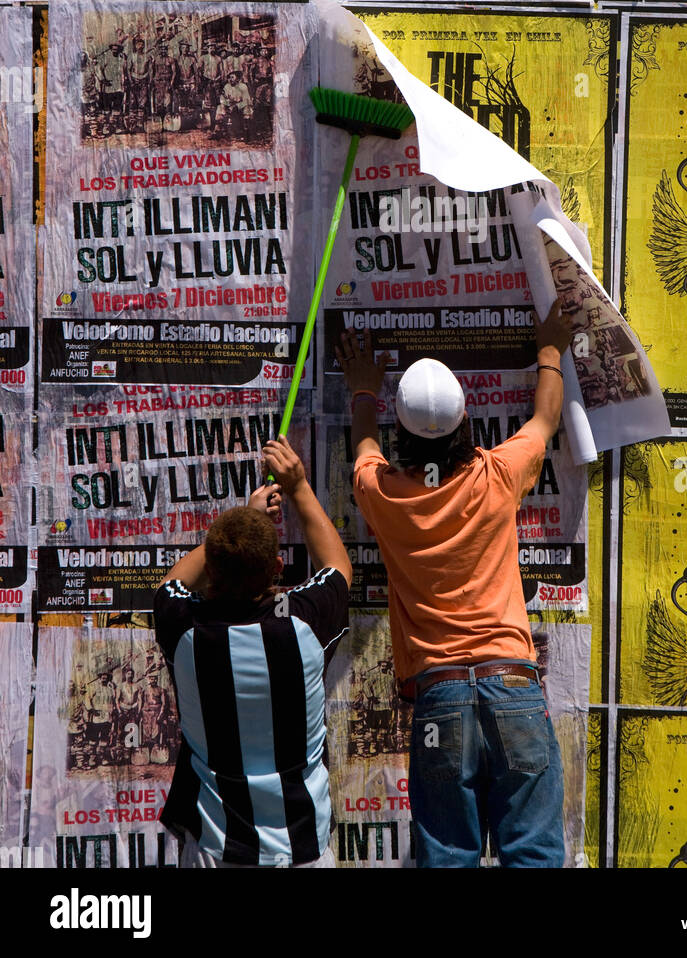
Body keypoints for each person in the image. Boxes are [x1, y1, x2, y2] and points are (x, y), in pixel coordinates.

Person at [336, 301, 572, 868]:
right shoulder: (497, 474)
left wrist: (363, 389)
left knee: (446, 859)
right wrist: (549, 348)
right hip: (513, 689)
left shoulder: (383, 496)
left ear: (404, 434)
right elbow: (544, 420)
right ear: (468, 423)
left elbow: (366, 449)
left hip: (440, 702)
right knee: (534, 855)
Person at [153, 437, 351, 868]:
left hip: (215, 850)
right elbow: (338, 569)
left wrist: (241, 522)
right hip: (304, 851)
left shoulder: (184, 627)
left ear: (213, 571)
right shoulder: (301, 623)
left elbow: (172, 584)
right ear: (278, 569)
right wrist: (297, 485)